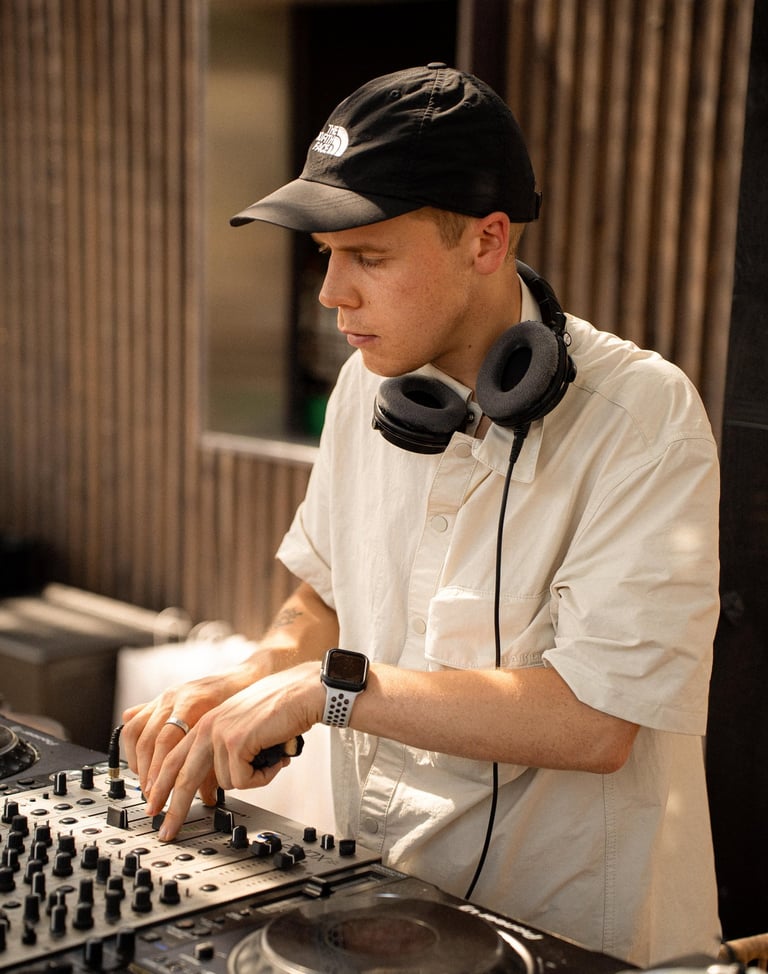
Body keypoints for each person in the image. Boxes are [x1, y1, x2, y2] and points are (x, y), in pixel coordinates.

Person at [121, 63, 722, 967]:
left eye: (369, 257)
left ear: (486, 241)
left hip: (577, 940)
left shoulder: (643, 419)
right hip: (384, 915)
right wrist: (253, 674)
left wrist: (329, 688)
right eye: (327, 255)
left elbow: (597, 720)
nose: (332, 294)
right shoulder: (365, 386)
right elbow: (322, 598)